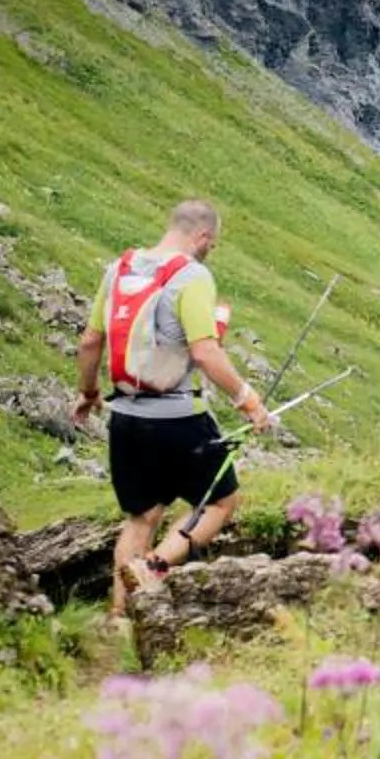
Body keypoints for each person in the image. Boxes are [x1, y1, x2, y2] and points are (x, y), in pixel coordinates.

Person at [70, 198, 274, 617]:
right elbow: (205, 352)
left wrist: (89, 393)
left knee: (141, 518)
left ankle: (118, 620)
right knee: (221, 502)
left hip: (125, 417)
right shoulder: (192, 276)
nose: (209, 250)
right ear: (202, 236)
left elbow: (90, 342)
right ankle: (154, 567)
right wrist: (248, 401)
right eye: (211, 244)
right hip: (177, 419)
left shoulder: (118, 269)